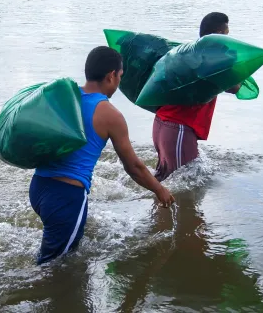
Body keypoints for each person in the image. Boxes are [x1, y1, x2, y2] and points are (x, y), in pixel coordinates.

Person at [30, 46, 175, 265]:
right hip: (66, 196)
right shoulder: (110, 114)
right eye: (120, 76)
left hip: (39, 187)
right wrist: (160, 189)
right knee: (53, 268)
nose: (119, 83)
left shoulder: (67, 98)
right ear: (111, 76)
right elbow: (133, 167)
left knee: (65, 253)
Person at [153, 12, 242, 182]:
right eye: (227, 34)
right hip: (178, 128)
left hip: (163, 124)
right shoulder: (214, 59)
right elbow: (234, 87)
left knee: (165, 181)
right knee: (180, 187)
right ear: (220, 34)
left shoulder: (191, 53)